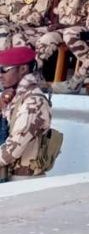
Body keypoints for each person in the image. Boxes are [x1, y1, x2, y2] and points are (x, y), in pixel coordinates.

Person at [0, 47, 60, 182]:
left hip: (22, 180)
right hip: (8, 175)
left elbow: (12, 150)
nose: (0, 75)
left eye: (4, 70)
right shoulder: (14, 96)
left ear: (23, 69)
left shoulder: (34, 102)